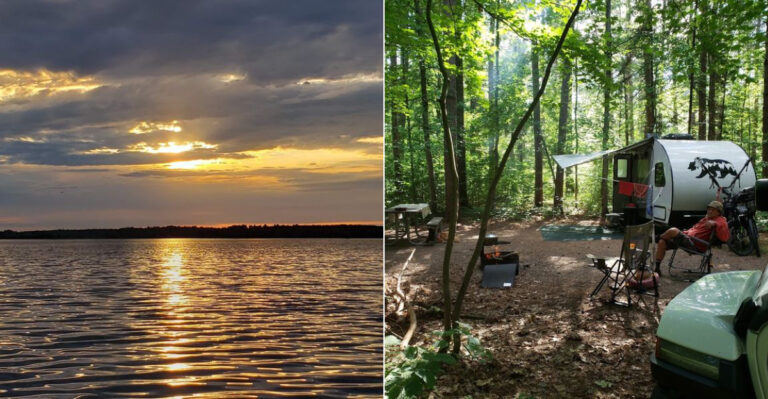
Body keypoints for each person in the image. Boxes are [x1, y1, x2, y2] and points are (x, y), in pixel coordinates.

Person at [654, 200, 729, 275]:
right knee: (662, 242)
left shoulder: (720, 220)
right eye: (709, 209)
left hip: (695, 244)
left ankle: (654, 238)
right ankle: (657, 268)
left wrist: (714, 223)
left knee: (673, 230)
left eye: (713, 210)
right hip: (688, 238)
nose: (709, 211)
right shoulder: (708, 218)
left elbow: (724, 236)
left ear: (718, 212)